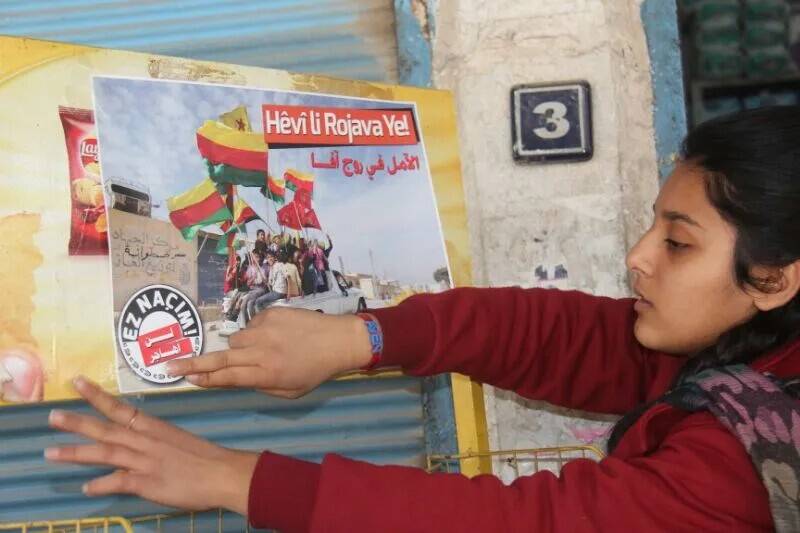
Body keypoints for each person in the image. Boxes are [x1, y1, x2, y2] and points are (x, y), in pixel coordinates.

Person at [44, 107, 800, 532]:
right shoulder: (739, 350)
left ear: (772, 279)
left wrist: (228, 476)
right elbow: (559, 338)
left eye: (677, 243)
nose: (637, 256)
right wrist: (360, 337)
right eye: (653, 226)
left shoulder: (739, 467)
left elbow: (519, 525)